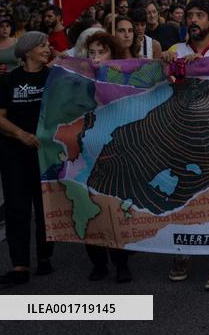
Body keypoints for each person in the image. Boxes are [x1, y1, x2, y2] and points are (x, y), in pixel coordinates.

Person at [162, 0, 209, 290]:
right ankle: (182, 252)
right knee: (183, 194)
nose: (193, 20)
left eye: (200, 15)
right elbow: (164, 87)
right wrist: (166, 64)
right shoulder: (175, 50)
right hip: (182, 135)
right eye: (190, 15)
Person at [0, 32, 55, 285]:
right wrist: (21, 134)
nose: (47, 48)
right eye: (42, 45)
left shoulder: (54, 77)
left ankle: (44, 257)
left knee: (45, 208)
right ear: (28, 51)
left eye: (48, 45)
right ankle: (19, 265)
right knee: (17, 208)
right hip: (14, 155)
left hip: (45, 155)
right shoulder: (10, 80)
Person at [82, 32, 133, 282]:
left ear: (113, 54)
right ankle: (98, 263)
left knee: (114, 206)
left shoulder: (121, 78)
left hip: (115, 149)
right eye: (91, 53)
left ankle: (121, 262)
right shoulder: (78, 78)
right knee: (89, 206)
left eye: (101, 52)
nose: (96, 58)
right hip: (87, 151)